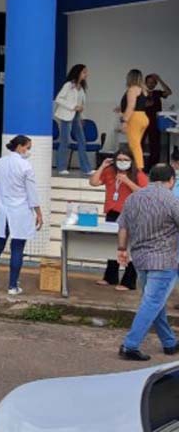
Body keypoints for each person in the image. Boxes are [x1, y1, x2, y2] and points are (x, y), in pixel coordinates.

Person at [116, 164, 179, 361]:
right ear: (171, 180)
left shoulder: (134, 198)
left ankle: (169, 342)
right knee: (152, 302)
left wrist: (121, 249)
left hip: (140, 259)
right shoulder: (172, 200)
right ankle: (130, 345)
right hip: (164, 260)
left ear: (151, 178)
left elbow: (123, 226)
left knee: (155, 302)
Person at [0, 136, 44, 295]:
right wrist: (39, 213)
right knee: (17, 249)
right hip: (20, 211)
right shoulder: (26, 166)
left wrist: (0, 204)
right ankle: (13, 286)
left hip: (2, 209)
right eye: (28, 147)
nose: (28, 151)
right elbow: (32, 194)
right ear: (20, 147)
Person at [89, 147, 147, 291]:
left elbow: (144, 193)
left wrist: (127, 181)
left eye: (126, 160)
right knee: (112, 244)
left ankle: (129, 281)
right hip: (112, 212)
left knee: (131, 247)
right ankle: (110, 277)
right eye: (119, 159)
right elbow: (93, 182)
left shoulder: (138, 175)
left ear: (131, 161)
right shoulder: (109, 172)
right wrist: (102, 166)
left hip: (131, 214)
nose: (122, 162)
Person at [53, 64, 92, 175]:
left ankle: (86, 168)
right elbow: (58, 99)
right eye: (84, 72)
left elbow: (81, 104)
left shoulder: (82, 87)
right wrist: (72, 106)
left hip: (77, 116)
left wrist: (82, 116)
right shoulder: (68, 85)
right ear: (78, 72)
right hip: (66, 115)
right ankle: (61, 168)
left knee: (82, 141)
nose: (86, 74)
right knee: (65, 141)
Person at [120, 69, 150, 172]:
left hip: (135, 118)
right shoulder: (143, 90)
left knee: (134, 145)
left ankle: (139, 170)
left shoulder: (133, 89)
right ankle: (136, 168)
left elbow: (131, 106)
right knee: (136, 144)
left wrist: (124, 121)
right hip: (143, 117)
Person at [144, 73, 172, 168]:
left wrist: (159, 79)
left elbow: (168, 92)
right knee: (139, 144)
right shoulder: (141, 93)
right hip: (142, 122)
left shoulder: (157, 93)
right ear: (145, 83)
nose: (150, 84)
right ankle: (140, 167)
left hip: (155, 123)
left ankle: (153, 167)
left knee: (155, 146)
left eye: (153, 83)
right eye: (149, 82)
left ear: (155, 84)